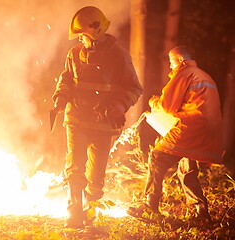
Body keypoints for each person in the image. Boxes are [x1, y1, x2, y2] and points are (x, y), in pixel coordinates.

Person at [52, 6, 143, 228]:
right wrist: (60, 98)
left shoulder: (119, 56)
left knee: (96, 175)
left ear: (96, 30)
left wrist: (119, 106)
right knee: (75, 165)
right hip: (76, 119)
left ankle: (89, 211)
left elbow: (134, 88)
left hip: (103, 124)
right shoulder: (74, 54)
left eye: (83, 34)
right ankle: (74, 212)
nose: (80, 39)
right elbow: (65, 80)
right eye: (79, 35)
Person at [127, 45, 224, 222]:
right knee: (187, 168)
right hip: (209, 132)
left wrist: (154, 102)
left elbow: (167, 106)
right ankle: (201, 212)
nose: (171, 67)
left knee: (157, 157)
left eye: (172, 62)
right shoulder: (205, 76)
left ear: (180, 61)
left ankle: (149, 206)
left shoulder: (184, 72)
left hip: (192, 127)